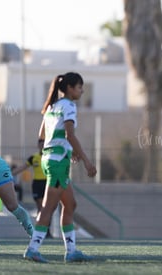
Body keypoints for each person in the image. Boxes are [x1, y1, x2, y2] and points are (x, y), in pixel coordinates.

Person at [24, 72, 97, 263]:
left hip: (52, 160)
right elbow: (70, 135)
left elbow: (42, 136)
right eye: (80, 87)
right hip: (57, 163)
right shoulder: (69, 106)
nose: (81, 91)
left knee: (70, 204)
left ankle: (71, 251)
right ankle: (33, 248)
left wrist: (58, 150)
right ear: (70, 88)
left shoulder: (52, 107)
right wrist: (86, 160)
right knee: (48, 208)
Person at [12, 139, 51, 236]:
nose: (42, 146)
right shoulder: (34, 157)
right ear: (38, 146)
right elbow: (23, 167)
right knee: (40, 207)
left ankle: (47, 230)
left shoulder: (50, 157)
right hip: (37, 184)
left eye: (44, 144)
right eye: (40, 144)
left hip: (48, 183)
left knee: (46, 208)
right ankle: (40, 230)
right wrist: (10, 173)